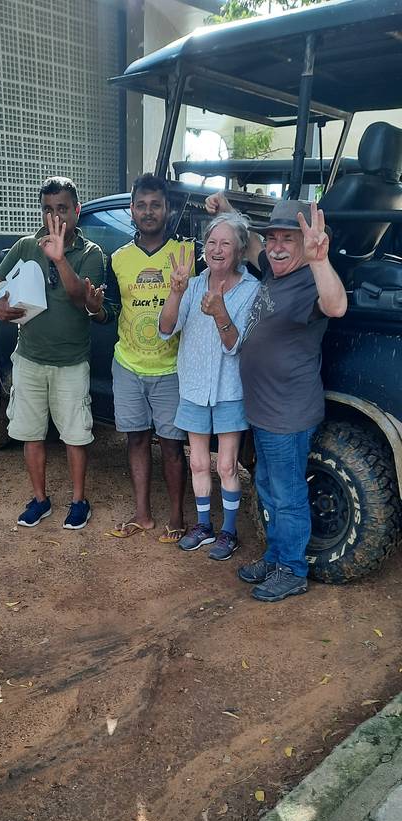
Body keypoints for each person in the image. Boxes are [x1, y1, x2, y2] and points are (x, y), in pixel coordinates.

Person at [206, 193, 347, 600]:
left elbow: (336, 307)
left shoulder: (312, 279)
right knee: (267, 489)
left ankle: (292, 570)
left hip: (288, 415)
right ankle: (276, 554)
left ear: (308, 244)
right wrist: (227, 212)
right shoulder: (275, 267)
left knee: (287, 496)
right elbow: (249, 242)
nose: (276, 247)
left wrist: (321, 260)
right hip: (264, 412)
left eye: (289, 239)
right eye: (273, 239)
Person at [0, 176, 105, 529]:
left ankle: (79, 501)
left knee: (75, 436)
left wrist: (61, 258)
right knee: (30, 433)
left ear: (77, 211)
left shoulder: (92, 253)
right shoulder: (25, 246)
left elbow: (81, 300)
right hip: (30, 358)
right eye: (48, 209)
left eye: (62, 209)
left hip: (71, 362)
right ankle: (40, 500)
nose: (55, 217)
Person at [88, 173, 198, 544]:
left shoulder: (185, 255)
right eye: (141, 205)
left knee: (171, 445)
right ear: (131, 210)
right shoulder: (118, 259)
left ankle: (177, 517)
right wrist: (96, 309)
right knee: (135, 440)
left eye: (155, 204)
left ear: (168, 209)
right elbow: (111, 310)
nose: (148, 212)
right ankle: (142, 515)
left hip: (171, 367)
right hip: (129, 365)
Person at [158, 214, 259, 561]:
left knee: (227, 466)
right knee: (199, 463)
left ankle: (228, 532)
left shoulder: (251, 289)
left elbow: (235, 345)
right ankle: (204, 526)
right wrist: (175, 291)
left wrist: (219, 312)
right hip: (194, 386)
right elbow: (166, 328)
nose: (217, 250)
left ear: (240, 250)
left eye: (226, 243)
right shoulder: (194, 283)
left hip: (230, 390)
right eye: (212, 243)